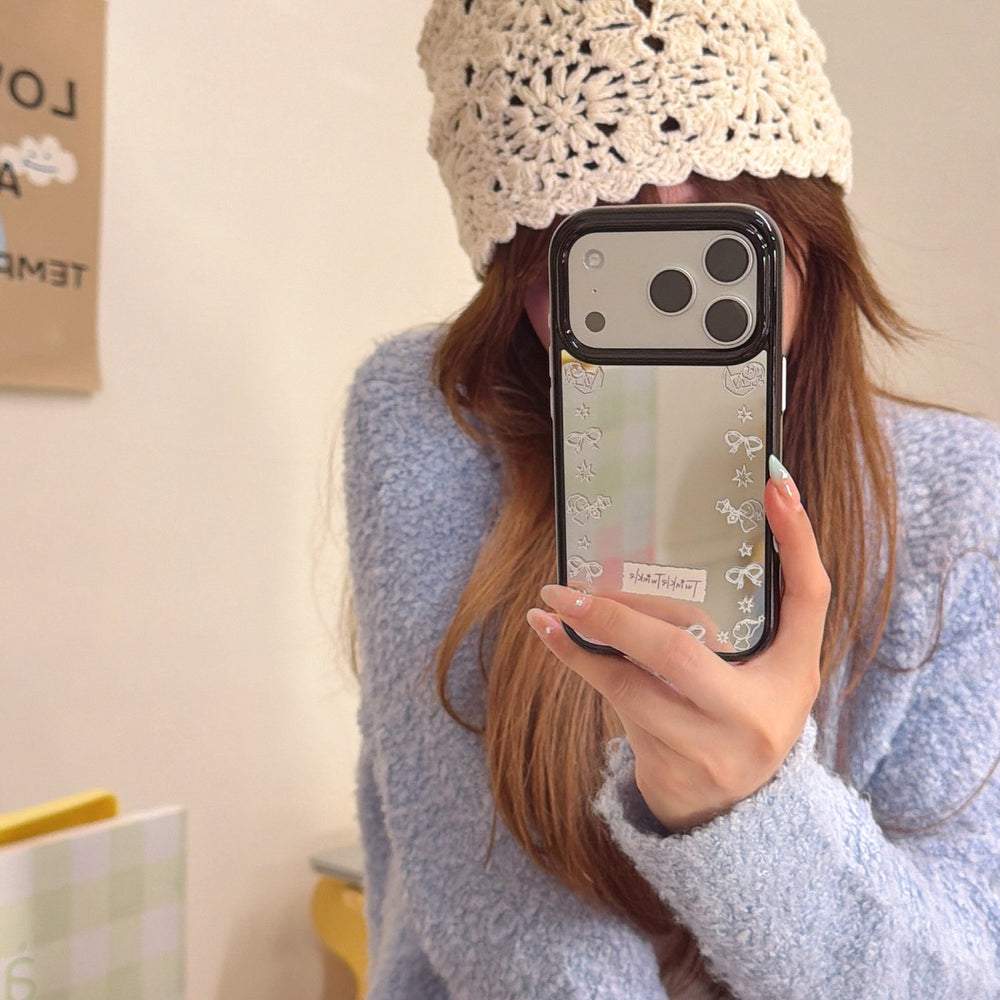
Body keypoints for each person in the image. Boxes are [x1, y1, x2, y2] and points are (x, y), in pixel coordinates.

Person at [342, 1, 1000, 997]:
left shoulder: (960, 504)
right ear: (520, 268)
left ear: (802, 213)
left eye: (722, 194)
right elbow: (498, 925)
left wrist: (749, 815)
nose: (668, 255)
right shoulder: (434, 425)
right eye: (587, 222)